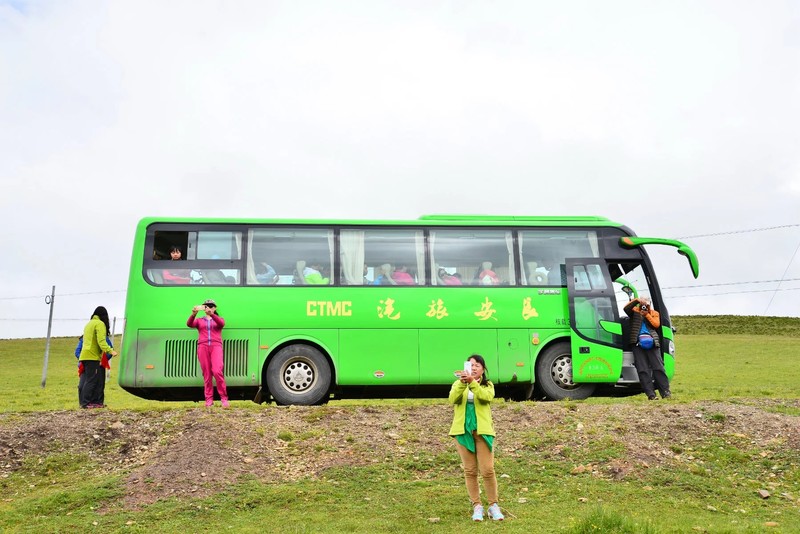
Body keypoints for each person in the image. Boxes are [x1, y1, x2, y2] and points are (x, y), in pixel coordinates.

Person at [449, 354, 504, 522]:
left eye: (477, 365)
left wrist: (472, 382)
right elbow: (453, 399)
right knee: (470, 470)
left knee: (487, 470)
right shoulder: (458, 384)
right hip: (463, 431)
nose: (473, 368)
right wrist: (462, 383)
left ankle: (493, 505)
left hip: (483, 431)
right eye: (471, 365)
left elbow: (486, 397)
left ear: (483, 369)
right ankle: (477, 505)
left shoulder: (488, 385)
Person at [624, 296, 671, 400]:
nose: (644, 306)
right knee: (642, 369)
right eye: (643, 304)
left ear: (650, 305)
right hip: (637, 343)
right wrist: (637, 300)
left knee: (658, 367)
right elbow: (626, 308)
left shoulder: (654, 313)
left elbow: (656, 324)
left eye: (646, 304)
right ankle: (651, 394)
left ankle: (665, 392)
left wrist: (647, 315)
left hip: (653, 342)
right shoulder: (634, 312)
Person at [187, 299, 229, 407]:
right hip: (203, 347)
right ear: (203, 308)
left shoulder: (219, 319)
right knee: (207, 374)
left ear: (215, 308)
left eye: (211, 306)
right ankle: (209, 400)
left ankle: (224, 398)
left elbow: (221, 324)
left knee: (217, 371)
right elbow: (189, 324)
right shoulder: (199, 320)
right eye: (206, 306)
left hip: (216, 347)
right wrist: (193, 314)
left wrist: (212, 315)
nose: (209, 308)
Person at [77, 306, 118, 409]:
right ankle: (86, 403)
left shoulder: (89, 324)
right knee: (92, 380)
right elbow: (101, 341)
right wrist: (111, 351)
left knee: (88, 380)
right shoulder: (100, 324)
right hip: (92, 356)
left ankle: (87, 403)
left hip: (84, 356)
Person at [74, 333, 113, 406]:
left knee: (97, 384)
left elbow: (110, 351)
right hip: (87, 364)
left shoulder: (103, 337)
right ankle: (86, 403)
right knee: (85, 384)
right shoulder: (85, 338)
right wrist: (86, 359)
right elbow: (77, 352)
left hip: (97, 364)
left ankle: (96, 403)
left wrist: (102, 360)